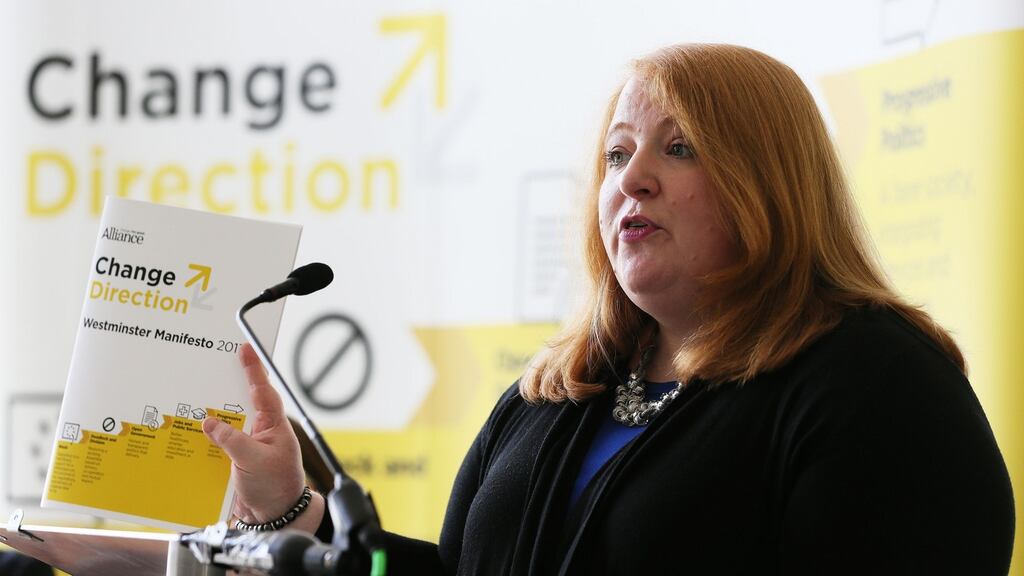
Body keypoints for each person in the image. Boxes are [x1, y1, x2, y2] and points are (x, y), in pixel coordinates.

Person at [203, 43, 1015, 574]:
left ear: (772, 180)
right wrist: (296, 509)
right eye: (617, 154)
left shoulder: (873, 382)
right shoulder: (557, 391)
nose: (631, 179)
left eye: (681, 146)